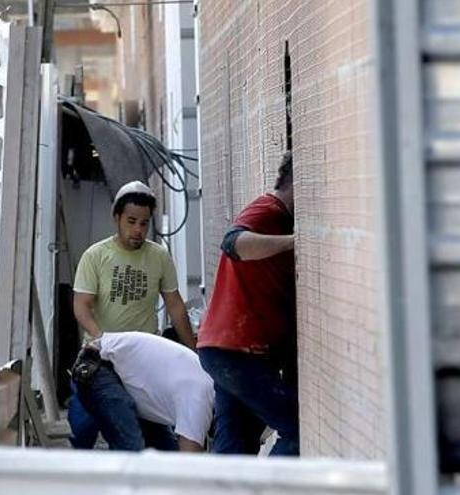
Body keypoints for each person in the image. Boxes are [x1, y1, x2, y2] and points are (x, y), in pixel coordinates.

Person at [69, 180, 196, 450]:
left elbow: (174, 305)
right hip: (99, 357)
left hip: (143, 361)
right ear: (117, 218)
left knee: (143, 432)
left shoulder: (159, 256)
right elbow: (82, 304)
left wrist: (193, 351)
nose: (138, 230)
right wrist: (101, 338)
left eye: (144, 223)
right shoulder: (96, 256)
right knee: (84, 428)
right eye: (131, 221)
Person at [197, 152, 298, 456]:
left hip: (227, 351)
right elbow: (233, 242)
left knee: (236, 442)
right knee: (297, 430)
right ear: (297, 181)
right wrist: (294, 241)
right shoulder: (269, 209)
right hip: (237, 351)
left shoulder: (281, 218)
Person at [74, 331, 214, 452]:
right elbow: (190, 459)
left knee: (167, 457)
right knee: (133, 449)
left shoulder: (208, 381)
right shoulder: (201, 397)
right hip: (100, 364)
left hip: (128, 377)